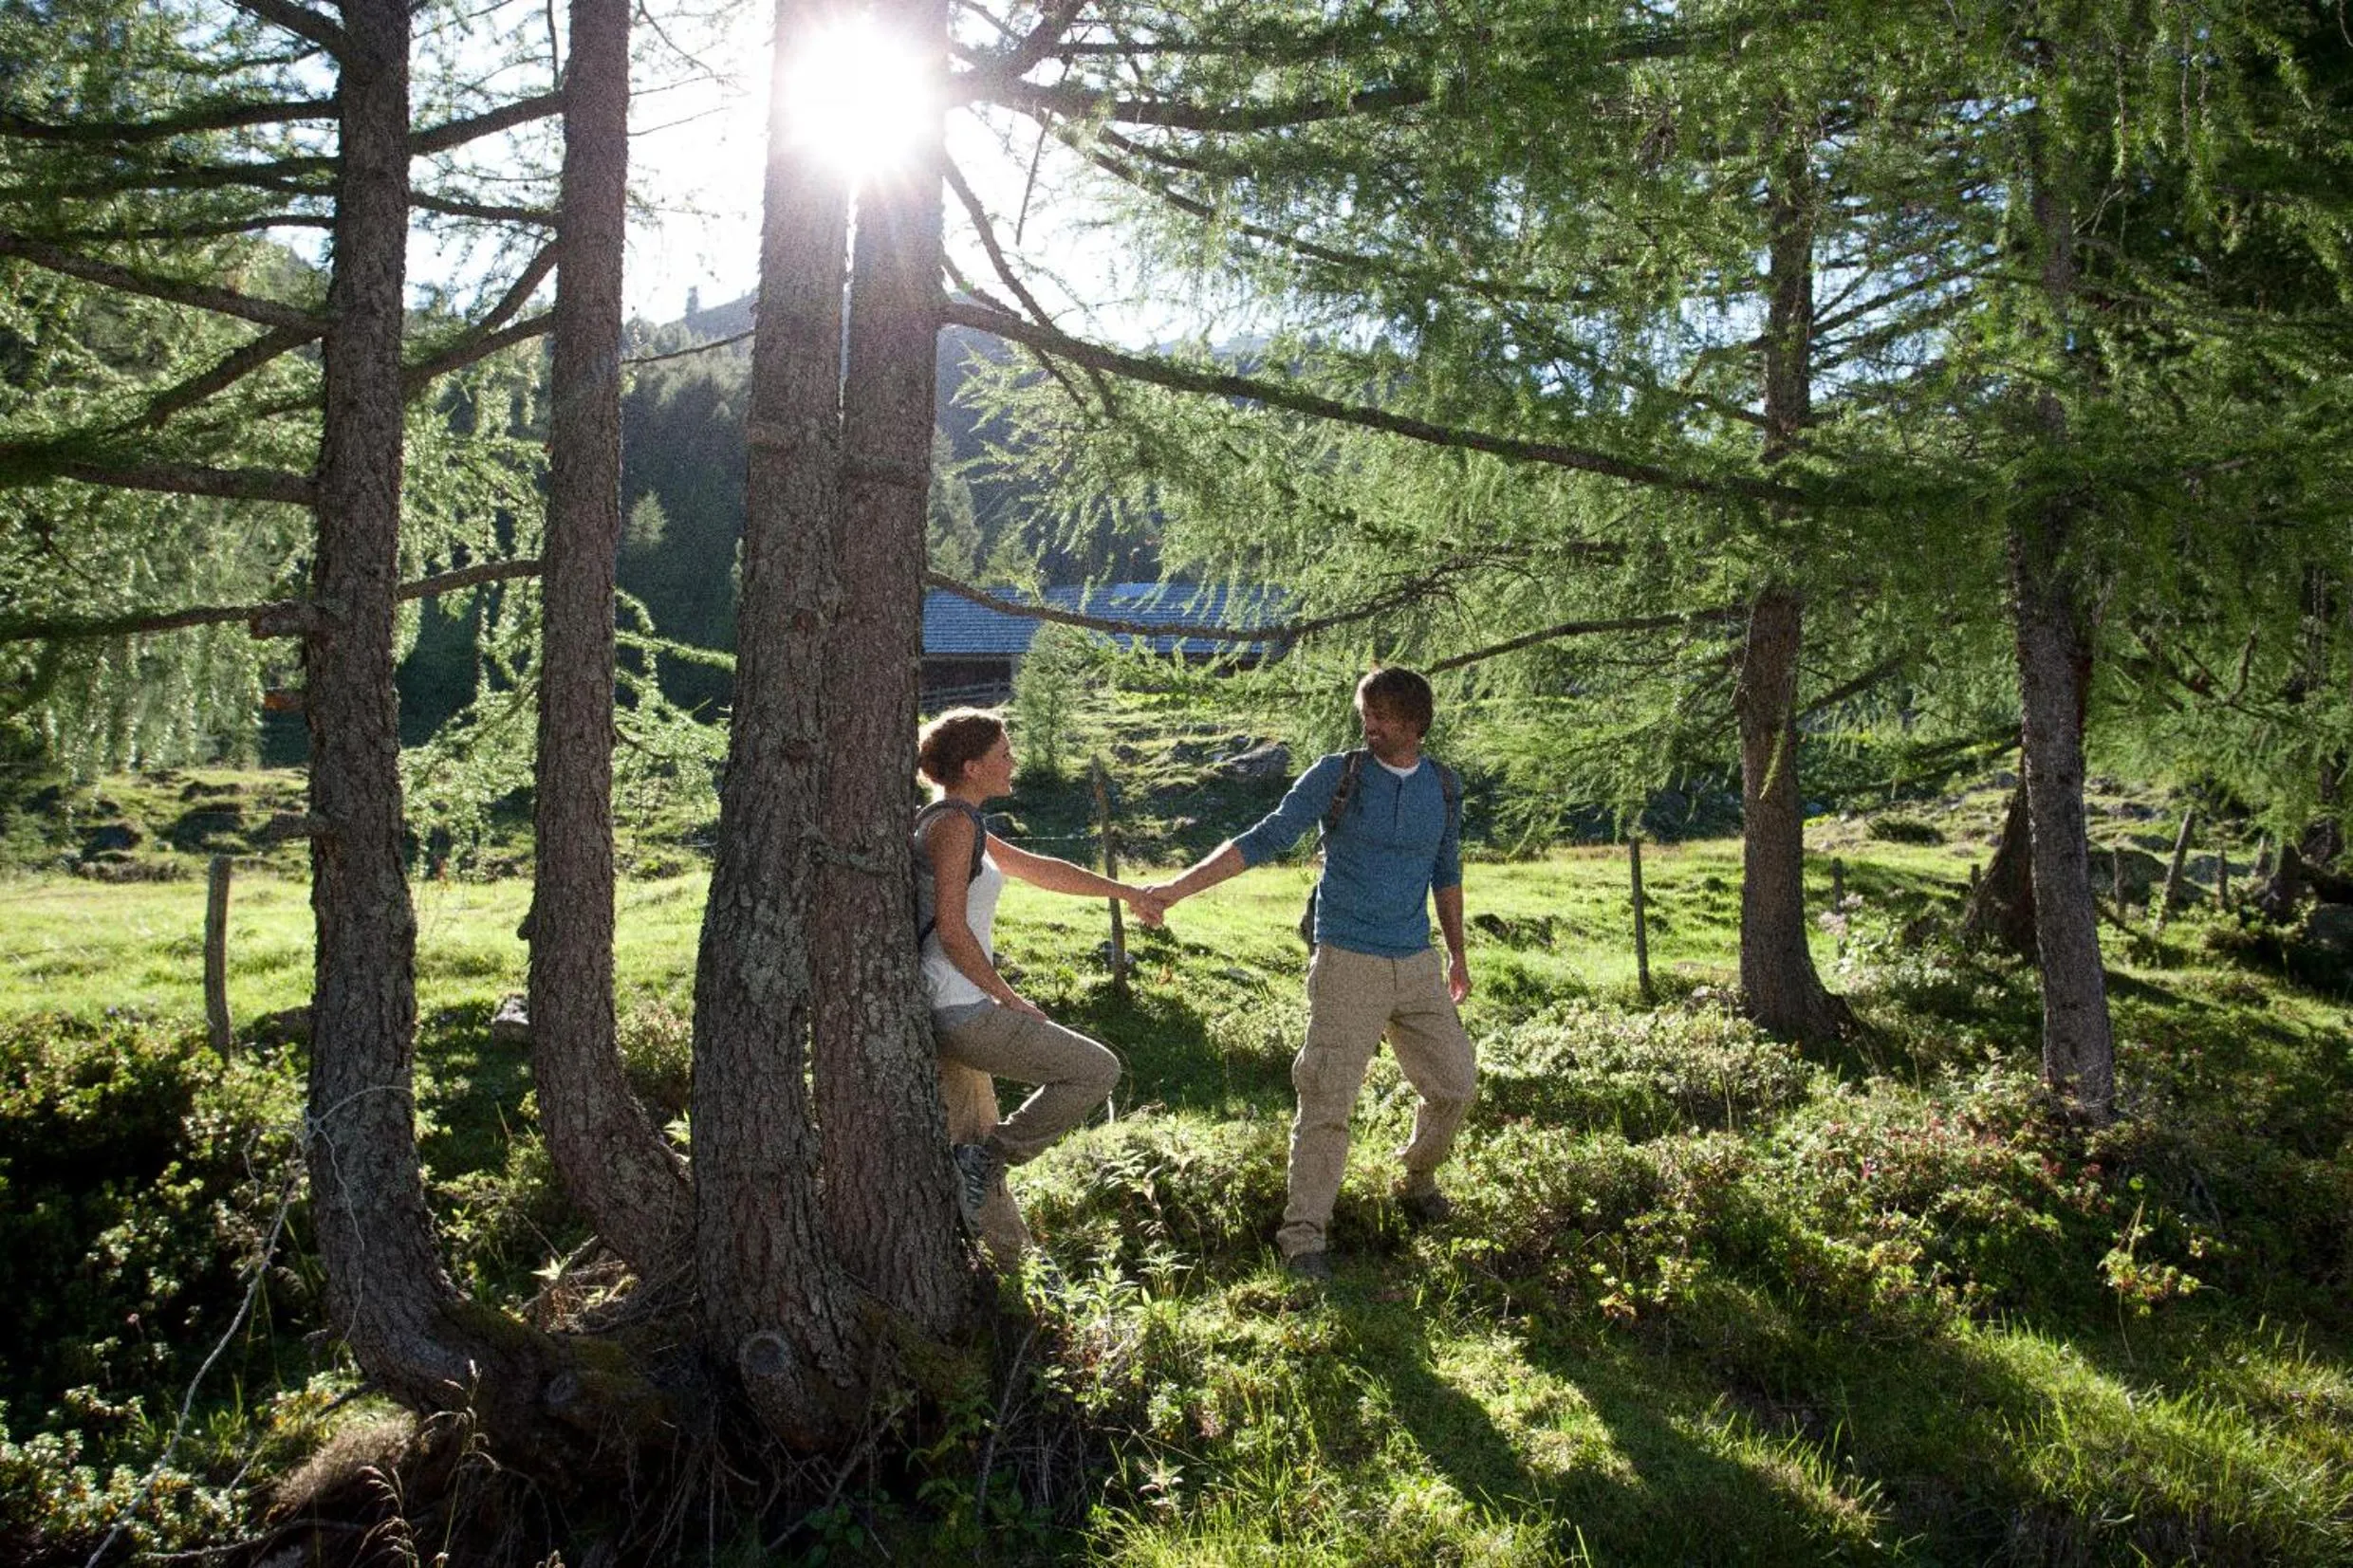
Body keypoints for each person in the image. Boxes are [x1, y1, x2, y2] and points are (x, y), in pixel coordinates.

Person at [1149, 667, 1474, 1283]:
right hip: (1347, 959)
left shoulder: (1443, 785)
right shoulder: (1338, 774)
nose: (1370, 726)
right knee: (1327, 1099)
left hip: (1417, 961)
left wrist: (1457, 955)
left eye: (1383, 717)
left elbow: (1447, 870)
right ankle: (1303, 1240)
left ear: (1416, 723)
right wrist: (1177, 888)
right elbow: (1266, 836)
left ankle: (1417, 1179)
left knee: (1456, 1085)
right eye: (1366, 714)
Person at [915, 708, 1166, 1261]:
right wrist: (1007, 996)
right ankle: (986, 1160)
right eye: (1004, 754)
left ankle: (1006, 1255)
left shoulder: (962, 820)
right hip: (960, 1007)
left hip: (959, 1002)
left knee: (975, 1129)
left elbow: (1040, 868)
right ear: (972, 766)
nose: (1014, 762)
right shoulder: (953, 826)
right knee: (1096, 1070)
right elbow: (951, 929)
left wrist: (1127, 893)